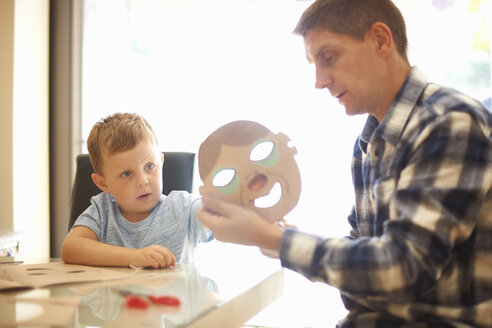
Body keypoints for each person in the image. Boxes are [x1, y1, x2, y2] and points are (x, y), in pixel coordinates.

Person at [197, 0, 492, 327]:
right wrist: (283, 238)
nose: (319, 81)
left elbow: (405, 269)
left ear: (381, 40)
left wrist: (275, 241)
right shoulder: (366, 146)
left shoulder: (448, 123)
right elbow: (368, 263)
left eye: (329, 57)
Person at [62, 112, 212, 269]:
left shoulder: (183, 207)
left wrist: (218, 204)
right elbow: (71, 248)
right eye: (126, 174)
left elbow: (215, 214)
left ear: (160, 162)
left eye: (149, 166)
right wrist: (135, 257)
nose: (142, 181)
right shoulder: (102, 211)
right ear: (103, 183)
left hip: (174, 293)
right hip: (117, 294)